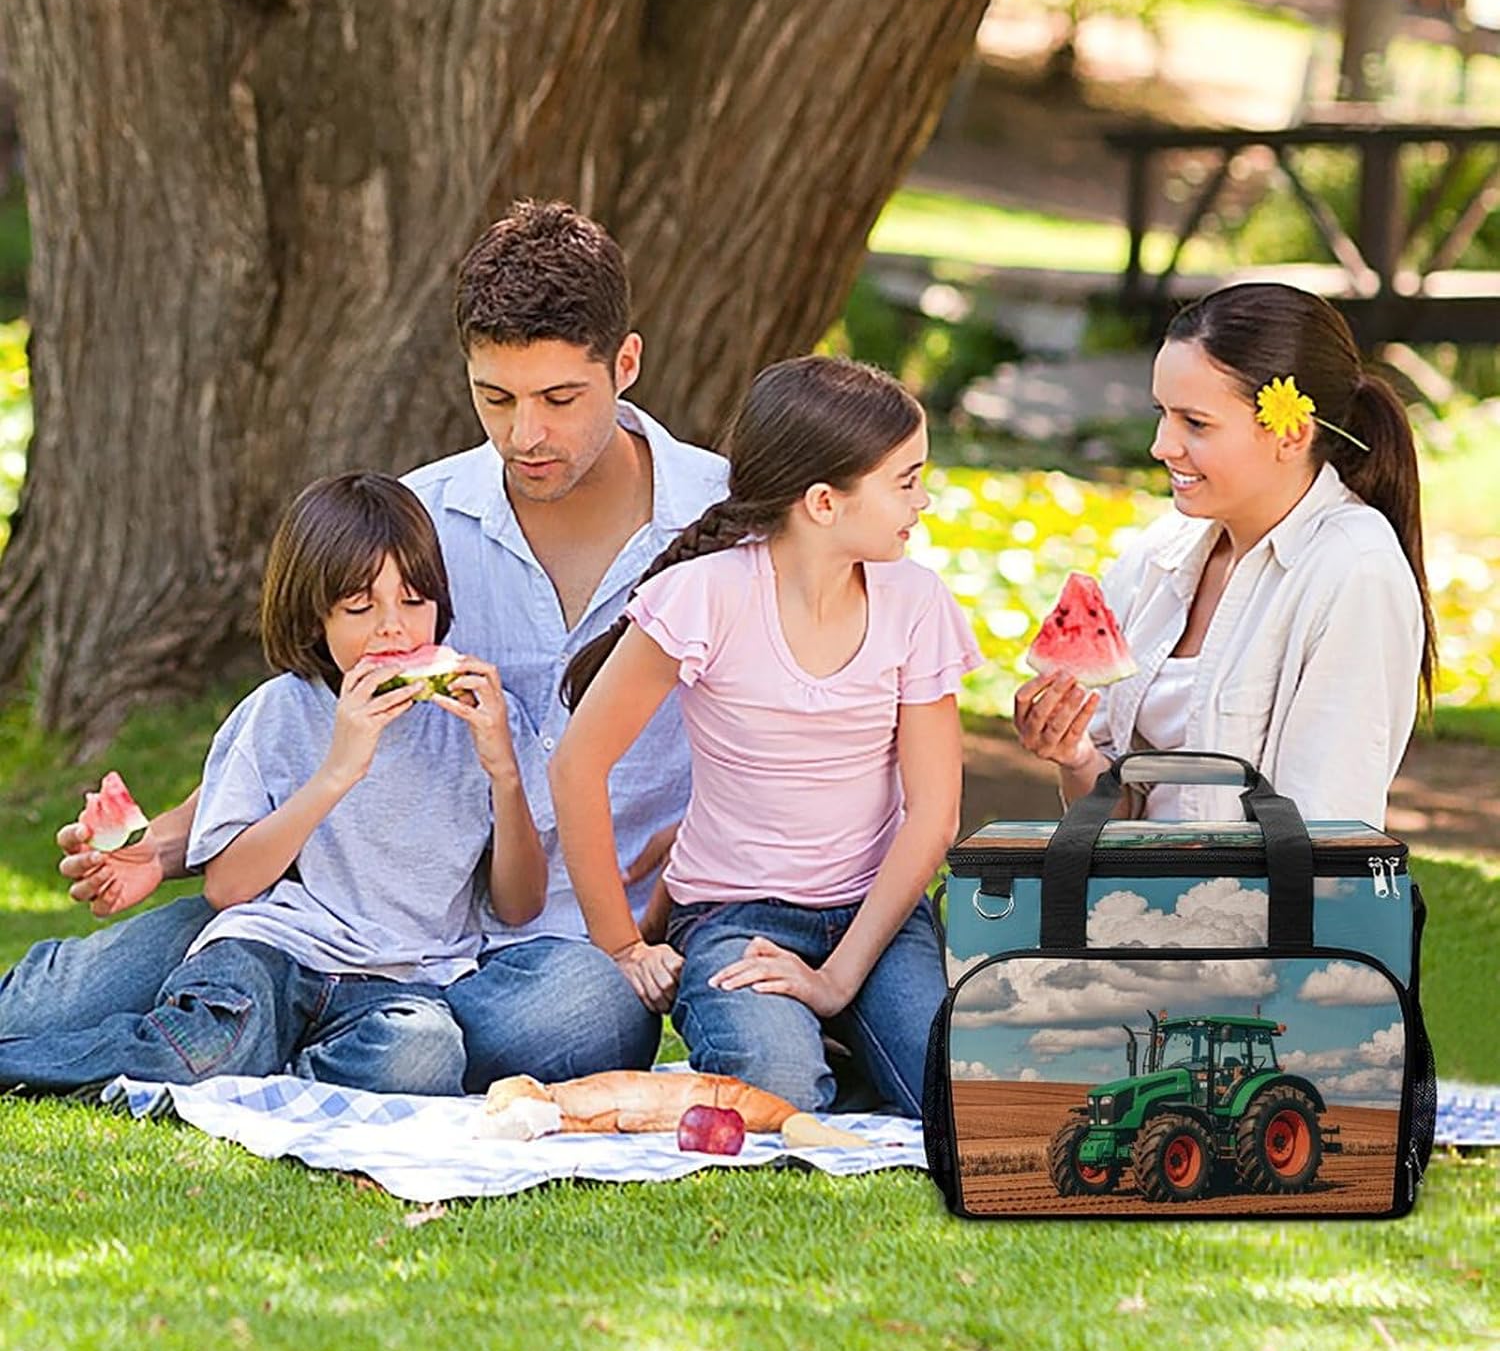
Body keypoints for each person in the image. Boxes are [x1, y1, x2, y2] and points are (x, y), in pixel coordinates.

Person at [12, 200, 729, 1090]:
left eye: (559, 399)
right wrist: (157, 850)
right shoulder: (419, 522)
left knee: (586, 1022)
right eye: (494, 398)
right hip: (332, 901)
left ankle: (294, 1037)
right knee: (56, 1006)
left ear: (626, 365)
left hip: (547, 948)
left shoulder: (724, 527)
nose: (524, 435)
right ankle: (268, 1020)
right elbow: (309, 717)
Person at [0, 473, 544, 1094]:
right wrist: (338, 771)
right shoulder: (279, 713)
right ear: (315, 620)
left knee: (424, 1056)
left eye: (414, 601)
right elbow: (229, 886)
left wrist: (503, 771)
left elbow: (519, 904)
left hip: (403, 982)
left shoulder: (483, 725)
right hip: (271, 954)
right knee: (201, 1050)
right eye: (362, 607)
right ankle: (30, 1060)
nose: (394, 628)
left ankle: (276, 1079)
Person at [550, 356, 983, 1115]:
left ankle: (841, 1029)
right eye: (905, 481)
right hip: (733, 916)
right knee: (779, 1091)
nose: (925, 499)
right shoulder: (704, 597)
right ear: (823, 501)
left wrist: (838, 979)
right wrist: (622, 944)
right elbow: (577, 766)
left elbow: (934, 815)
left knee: (959, 1101)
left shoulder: (917, 603)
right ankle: (805, 1044)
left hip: (875, 914)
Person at [1015, 282, 1433, 826]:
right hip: (1136, 901)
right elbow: (1124, 809)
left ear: (1291, 433)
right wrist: (1075, 755)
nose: (1161, 445)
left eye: (1196, 423)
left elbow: (1326, 829)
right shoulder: (1160, 551)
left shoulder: (1354, 569)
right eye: (1162, 413)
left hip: (1256, 909)